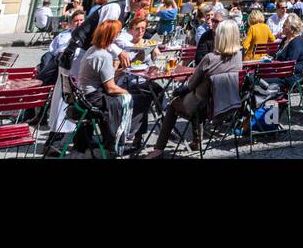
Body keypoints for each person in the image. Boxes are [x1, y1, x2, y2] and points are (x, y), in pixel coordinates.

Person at [142, 19, 243, 158]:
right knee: (198, 98)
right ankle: (197, 141)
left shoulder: (210, 58)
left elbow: (191, 84)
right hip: (225, 104)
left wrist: (181, 90)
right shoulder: (238, 56)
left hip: (203, 105)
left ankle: (158, 149)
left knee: (174, 104)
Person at [76, 19, 134, 152]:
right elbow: (111, 88)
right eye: (118, 33)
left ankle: (108, 139)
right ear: (111, 36)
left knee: (121, 98)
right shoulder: (103, 56)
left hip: (81, 95)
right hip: (92, 98)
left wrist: (116, 69)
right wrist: (127, 93)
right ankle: (115, 142)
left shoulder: (92, 49)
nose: (118, 36)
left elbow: (104, 77)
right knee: (126, 100)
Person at [272, 14, 303, 88]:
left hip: (289, 78)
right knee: (253, 77)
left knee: (256, 79)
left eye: (284, 26)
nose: (282, 27)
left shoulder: (296, 42)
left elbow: (289, 64)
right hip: (279, 73)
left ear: (292, 28)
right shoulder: (285, 39)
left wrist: (274, 64)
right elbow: (277, 56)